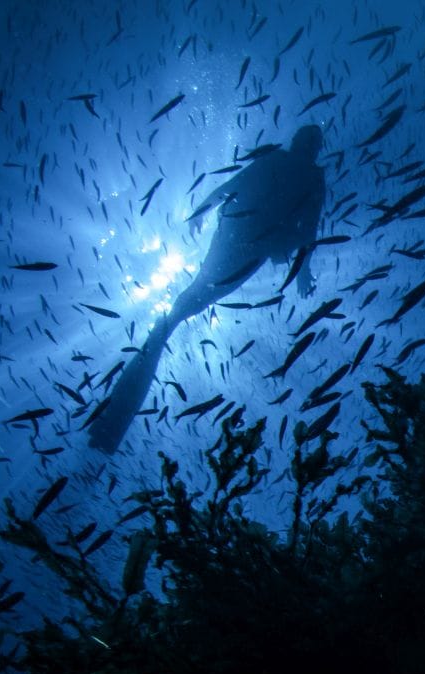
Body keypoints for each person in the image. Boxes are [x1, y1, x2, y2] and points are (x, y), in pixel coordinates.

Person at [87, 125, 327, 453]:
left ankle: (118, 409)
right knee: (186, 306)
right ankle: (122, 405)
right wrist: (302, 270)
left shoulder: (286, 166)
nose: (307, 145)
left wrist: (204, 209)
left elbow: (236, 189)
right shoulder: (306, 175)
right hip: (244, 247)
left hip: (237, 242)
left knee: (185, 306)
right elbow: (304, 228)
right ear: (311, 146)